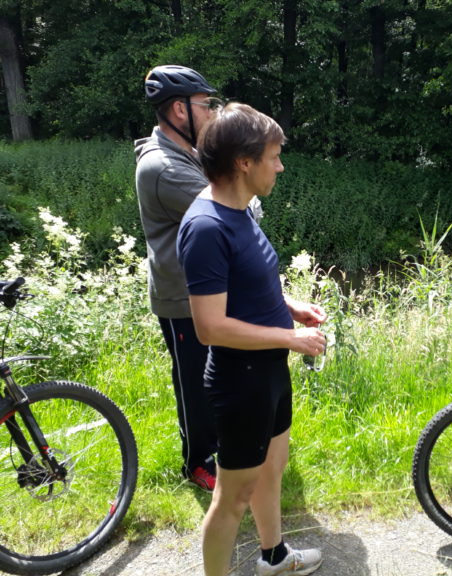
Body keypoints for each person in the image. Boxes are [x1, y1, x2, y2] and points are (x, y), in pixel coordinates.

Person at [176, 102, 326, 576]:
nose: (280, 165)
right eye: (274, 155)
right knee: (231, 497)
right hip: (239, 381)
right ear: (244, 162)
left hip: (268, 372)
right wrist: (290, 336)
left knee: (272, 469)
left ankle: (275, 556)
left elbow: (251, 285)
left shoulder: (240, 211)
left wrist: (290, 306)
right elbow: (210, 326)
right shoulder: (206, 227)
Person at [135, 65, 265, 493]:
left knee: (219, 375)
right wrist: (241, 195)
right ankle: (196, 461)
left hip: (210, 289)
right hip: (182, 298)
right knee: (193, 383)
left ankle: (229, 449)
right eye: (206, 105)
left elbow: (238, 201)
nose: (212, 112)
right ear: (178, 110)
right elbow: (239, 208)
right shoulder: (164, 168)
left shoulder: (188, 155)